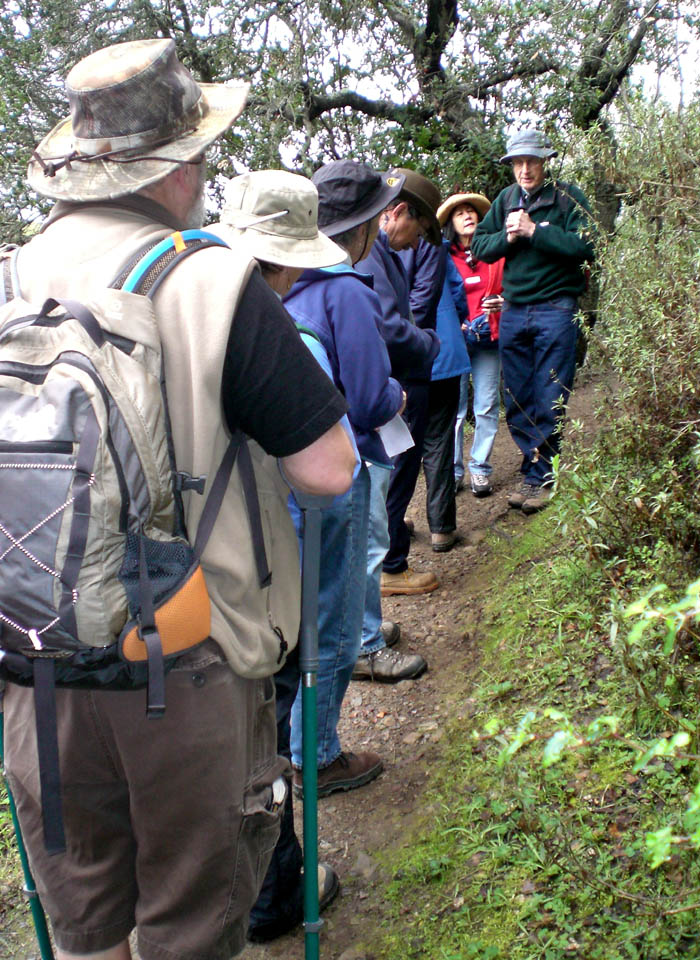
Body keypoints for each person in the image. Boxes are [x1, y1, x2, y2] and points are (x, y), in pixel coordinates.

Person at [1, 39, 355, 960]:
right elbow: (328, 470)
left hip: (36, 669)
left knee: (87, 930)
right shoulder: (212, 280)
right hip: (189, 660)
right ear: (175, 170)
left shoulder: (7, 276)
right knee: (192, 928)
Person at [212, 169, 350, 942]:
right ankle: (272, 894)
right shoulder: (261, 319)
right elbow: (332, 471)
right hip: (250, 581)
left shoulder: (159, 299)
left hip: (155, 585)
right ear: (289, 258)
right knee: (262, 740)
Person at [282, 159, 416, 787]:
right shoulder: (347, 291)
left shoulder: (287, 288)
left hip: (286, 479)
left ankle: (291, 745)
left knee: (302, 610)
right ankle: (320, 754)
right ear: (360, 230)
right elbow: (367, 399)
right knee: (333, 618)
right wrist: (397, 395)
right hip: (343, 465)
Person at [472, 129, 595, 513]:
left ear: (544, 161)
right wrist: (508, 239)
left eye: (532, 162)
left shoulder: (568, 197)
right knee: (519, 395)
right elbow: (479, 247)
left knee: (550, 391)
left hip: (556, 307)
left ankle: (542, 475)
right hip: (514, 309)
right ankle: (536, 467)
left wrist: (534, 231)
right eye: (518, 163)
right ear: (511, 167)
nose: (525, 170)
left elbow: (587, 246)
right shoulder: (505, 201)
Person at [356, 169, 442, 608]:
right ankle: (391, 566)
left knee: (393, 473)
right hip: (394, 384)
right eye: (421, 229)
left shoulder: (379, 251)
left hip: (394, 381)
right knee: (392, 473)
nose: (419, 241)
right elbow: (388, 326)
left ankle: (389, 563)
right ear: (399, 212)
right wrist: (429, 341)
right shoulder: (370, 253)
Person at [402, 234, 471, 551]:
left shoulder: (380, 247)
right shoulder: (437, 248)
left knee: (398, 444)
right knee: (439, 443)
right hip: (443, 352)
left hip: (403, 357)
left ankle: (395, 521)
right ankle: (442, 529)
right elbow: (458, 292)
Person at [437, 192, 504, 499]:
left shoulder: (495, 253)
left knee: (487, 404)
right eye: (459, 212)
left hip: (490, 337)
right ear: (451, 222)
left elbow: (512, 285)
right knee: (455, 409)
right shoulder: (442, 255)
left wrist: (505, 302)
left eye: (472, 211)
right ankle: (453, 471)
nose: (467, 216)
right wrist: (456, 320)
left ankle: (480, 468)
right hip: (458, 340)